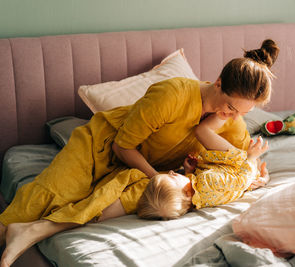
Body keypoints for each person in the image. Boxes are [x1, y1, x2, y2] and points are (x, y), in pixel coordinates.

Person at [0, 38, 279, 267]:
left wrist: (256, 176)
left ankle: (33, 231)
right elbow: (123, 146)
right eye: (230, 107)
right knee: (48, 195)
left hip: (141, 168)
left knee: (154, 197)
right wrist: (155, 175)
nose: (229, 116)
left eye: (240, 113)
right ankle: (14, 228)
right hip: (104, 146)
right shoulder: (173, 94)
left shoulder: (230, 122)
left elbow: (244, 163)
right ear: (218, 82)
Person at [136, 113, 270, 220]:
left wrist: (189, 171)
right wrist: (251, 158)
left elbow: (195, 189)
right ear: (187, 193)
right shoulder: (206, 182)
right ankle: (227, 113)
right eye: (173, 177)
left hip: (236, 173)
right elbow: (241, 181)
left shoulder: (196, 200)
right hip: (238, 167)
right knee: (202, 131)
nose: (171, 172)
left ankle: (263, 177)